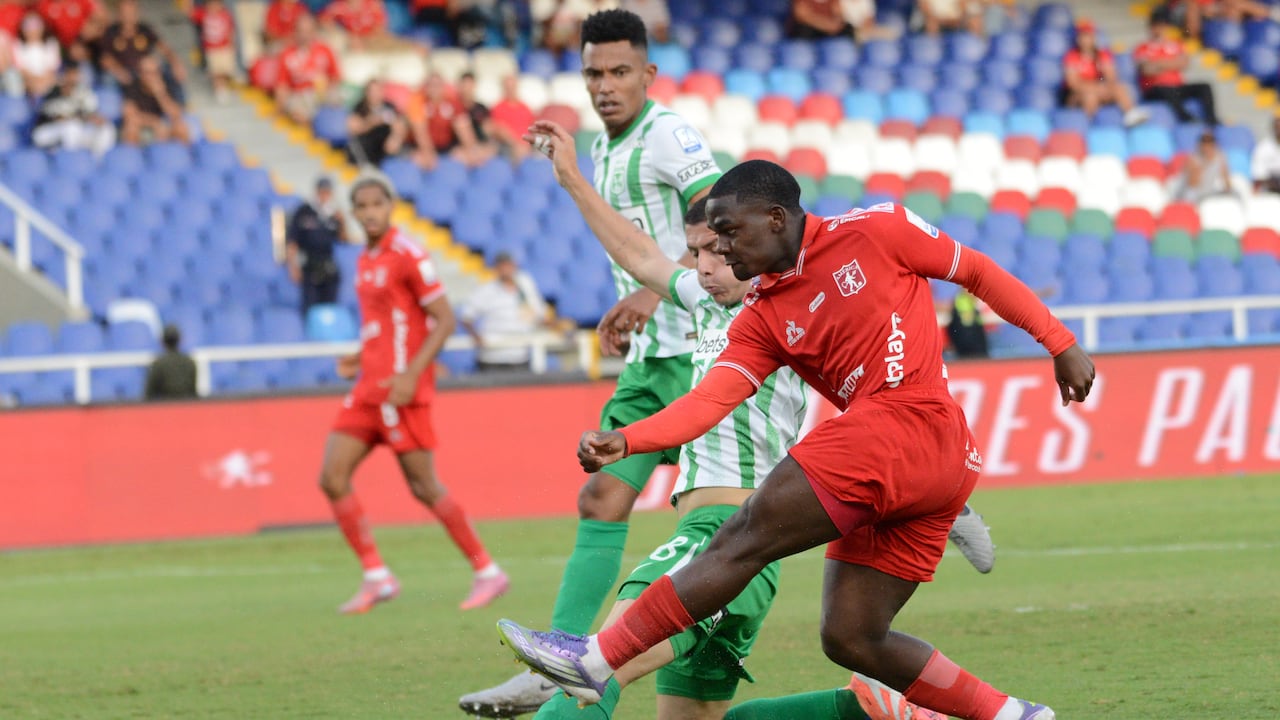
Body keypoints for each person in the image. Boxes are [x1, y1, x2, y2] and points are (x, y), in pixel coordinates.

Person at [495, 158, 1097, 720]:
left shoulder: (878, 228)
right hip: (935, 461)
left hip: (904, 423)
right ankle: (1016, 715)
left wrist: (1061, 342)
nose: (722, 250)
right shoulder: (760, 315)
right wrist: (629, 440)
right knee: (852, 637)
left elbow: (974, 269)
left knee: (741, 535)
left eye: (729, 233)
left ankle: (594, 661)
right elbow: (710, 401)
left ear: (776, 218)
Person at [457, 8, 725, 715]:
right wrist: (632, 305)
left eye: (619, 72)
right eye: (593, 74)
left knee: (771, 495)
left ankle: (927, 494)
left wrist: (648, 289)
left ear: (648, 75)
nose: (606, 86)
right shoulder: (603, 150)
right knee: (602, 493)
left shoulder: (668, 135)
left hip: (703, 353)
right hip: (652, 360)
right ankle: (560, 659)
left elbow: (727, 223)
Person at [321, 170, 509, 614]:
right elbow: (386, 323)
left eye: (376, 205)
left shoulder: (409, 254)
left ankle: (487, 571)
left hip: (401, 392)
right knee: (331, 476)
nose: (369, 213)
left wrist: (410, 375)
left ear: (390, 207)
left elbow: (443, 319)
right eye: (361, 207)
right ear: (353, 212)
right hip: (369, 387)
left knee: (424, 487)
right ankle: (377, 576)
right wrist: (359, 355)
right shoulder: (365, 258)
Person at [459, 251, 554, 372]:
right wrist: (476, 337)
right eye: (502, 265)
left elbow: (538, 316)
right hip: (492, 357)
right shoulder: (486, 290)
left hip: (519, 356)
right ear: (496, 268)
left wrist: (556, 326)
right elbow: (466, 317)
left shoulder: (525, 287)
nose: (505, 269)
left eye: (508, 265)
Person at [1133, 12, 1219, 126]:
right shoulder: (1142, 47)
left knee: (1204, 86)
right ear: (1151, 27)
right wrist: (1172, 63)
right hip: (1155, 88)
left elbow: (1184, 64)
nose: (1159, 29)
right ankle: (1186, 118)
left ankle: (1212, 120)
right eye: (1156, 25)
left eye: (1162, 25)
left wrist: (1158, 63)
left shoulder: (1174, 45)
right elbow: (1146, 70)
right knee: (1166, 90)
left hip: (1176, 86)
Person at [1062, 19, 1147, 127]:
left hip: (1100, 89)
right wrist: (1096, 88)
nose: (1085, 40)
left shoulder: (1102, 54)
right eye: (1082, 36)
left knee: (1119, 88)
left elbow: (1111, 76)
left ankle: (1131, 114)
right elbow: (1072, 83)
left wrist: (1105, 86)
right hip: (1079, 94)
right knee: (1090, 96)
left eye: (1088, 36)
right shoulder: (1071, 56)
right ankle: (1089, 126)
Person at [287, 176, 348, 319]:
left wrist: (343, 222)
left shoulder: (333, 214)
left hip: (328, 266)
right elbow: (292, 242)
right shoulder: (303, 212)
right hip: (309, 265)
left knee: (330, 310)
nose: (324, 196)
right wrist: (293, 266)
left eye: (327, 192)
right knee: (310, 308)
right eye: (322, 192)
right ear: (316, 192)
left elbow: (344, 240)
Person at [101, 0, 187, 96]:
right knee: (108, 79)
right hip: (124, 72)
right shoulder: (111, 32)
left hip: (146, 71)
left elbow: (165, 49)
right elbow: (105, 58)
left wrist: (176, 63)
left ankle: (182, 105)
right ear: (119, 14)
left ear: (137, 13)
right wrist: (118, 70)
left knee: (171, 71)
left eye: (131, 12)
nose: (128, 16)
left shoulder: (145, 29)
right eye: (124, 12)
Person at [32, 63, 116, 157]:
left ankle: (97, 162)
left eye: (75, 75)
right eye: (70, 75)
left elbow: (92, 113)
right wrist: (79, 118)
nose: (73, 79)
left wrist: (97, 119)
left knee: (106, 127)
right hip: (46, 131)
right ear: (63, 76)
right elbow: (56, 118)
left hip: (77, 130)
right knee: (71, 127)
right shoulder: (52, 92)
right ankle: (70, 162)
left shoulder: (83, 92)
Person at [274, 13, 340, 124]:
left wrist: (326, 89)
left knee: (338, 99)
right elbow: (282, 86)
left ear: (314, 32)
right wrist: (280, 108)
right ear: (295, 32)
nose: (304, 35)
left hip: (323, 93)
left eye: (308, 31)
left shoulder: (325, 50)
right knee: (296, 108)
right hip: (300, 95)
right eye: (301, 31)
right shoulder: (287, 54)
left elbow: (335, 77)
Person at [120, 54, 190, 145]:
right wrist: (154, 122)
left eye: (155, 72)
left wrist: (160, 94)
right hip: (143, 124)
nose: (151, 76)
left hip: (164, 123)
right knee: (131, 127)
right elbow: (129, 114)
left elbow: (176, 114)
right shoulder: (132, 86)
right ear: (140, 73)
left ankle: (179, 157)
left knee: (181, 128)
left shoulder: (167, 85)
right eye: (147, 72)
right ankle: (132, 157)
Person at [346, 78, 409, 166]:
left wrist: (395, 137)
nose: (374, 94)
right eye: (371, 91)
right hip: (364, 150)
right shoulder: (360, 107)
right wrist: (372, 122)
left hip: (384, 151)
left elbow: (400, 125)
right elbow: (353, 128)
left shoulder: (389, 107)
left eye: (377, 90)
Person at [190, 0, 236, 102]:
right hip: (211, 49)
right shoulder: (204, 14)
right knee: (216, 71)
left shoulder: (225, 14)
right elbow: (191, 13)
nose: (214, 6)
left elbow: (230, 30)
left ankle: (224, 87)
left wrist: (232, 44)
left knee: (225, 71)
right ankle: (219, 90)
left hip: (225, 48)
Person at [1175, 129, 1232, 202]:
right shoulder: (1193, 158)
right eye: (1204, 142)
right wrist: (1206, 163)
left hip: (1208, 194)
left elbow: (1226, 181)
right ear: (1200, 144)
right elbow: (1193, 184)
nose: (1207, 145)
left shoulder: (1220, 157)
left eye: (1210, 142)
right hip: (1191, 194)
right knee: (1190, 195)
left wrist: (1228, 192)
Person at [488, 74, 535, 162]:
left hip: (527, 146)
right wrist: (516, 144)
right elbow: (498, 130)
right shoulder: (497, 108)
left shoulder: (525, 107)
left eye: (512, 87)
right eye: (507, 87)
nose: (510, 90)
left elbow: (532, 128)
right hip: (507, 147)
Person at [12, 12, 60, 98]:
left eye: (36, 27)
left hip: (48, 81)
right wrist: (33, 81)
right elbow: (20, 69)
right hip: (27, 83)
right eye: (28, 27)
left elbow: (52, 68)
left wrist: (43, 81)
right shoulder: (18, 45)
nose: (32, 31)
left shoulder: (51, 43)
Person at [144, 324, 198, 400]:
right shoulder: (190, 363)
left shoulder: (158, 364)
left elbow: (148, 395)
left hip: (163, 409)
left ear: (162, 342)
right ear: (179, 340)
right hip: (186, 408)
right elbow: (193, 393)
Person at [947, 289, 989, 359]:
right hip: (969, 345)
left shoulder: (963, 301)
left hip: (968, 344)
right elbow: (968, 323)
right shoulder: (962, 302)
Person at [1250, 115, 1280, 194]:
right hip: (1270, 191)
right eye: (1277, 127)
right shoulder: (1263, 148)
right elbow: (1259, 176)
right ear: (1273, 129)